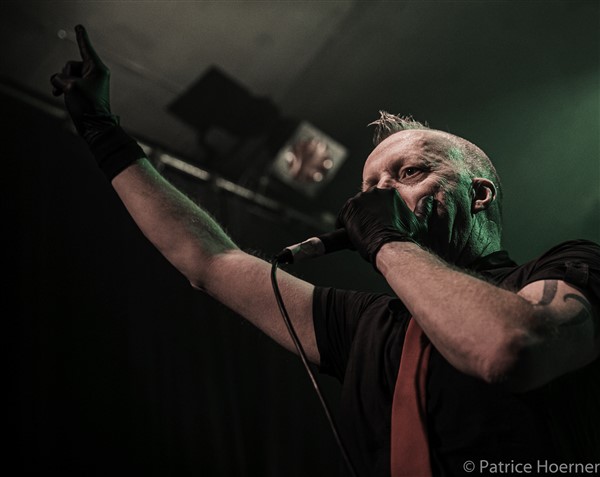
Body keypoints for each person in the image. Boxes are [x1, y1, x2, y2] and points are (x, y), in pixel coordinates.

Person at [51, 25, 599, 477]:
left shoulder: (565, 268)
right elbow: (210, 260)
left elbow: (509, 348)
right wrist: (102, 131)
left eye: (409, 172)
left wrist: (386, 240)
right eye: (369, 188)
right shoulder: (364, 325)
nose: (380, 195)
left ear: (478, 195)